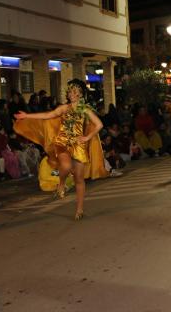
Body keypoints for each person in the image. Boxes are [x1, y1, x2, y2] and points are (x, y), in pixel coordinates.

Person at [15, 79, 104, 220]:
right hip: (62, 142)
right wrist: (27, 115)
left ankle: (79, 210)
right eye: (70, 91)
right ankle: (61, 184)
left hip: (78, 145)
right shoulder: (64, 108)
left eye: (74, 92)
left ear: (81, 94)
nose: (71, 94)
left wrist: (87, 137)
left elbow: (99, 124)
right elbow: (47, 115)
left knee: (79, 179)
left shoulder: (85, 109)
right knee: (66, 165)